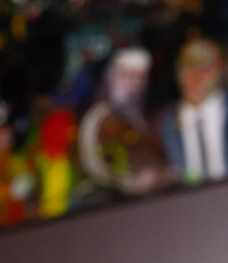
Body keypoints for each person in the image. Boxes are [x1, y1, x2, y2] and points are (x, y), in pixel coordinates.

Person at [78, 46, 170, 194]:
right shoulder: (99, 117)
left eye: (141, 77)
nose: (134, 82)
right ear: (112, 76)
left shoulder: (146, 116)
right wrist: (134, 182)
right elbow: (96, 165)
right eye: (127, 75)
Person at [161, 38, 228, 184]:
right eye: (188, 69)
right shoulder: (169, 119)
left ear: (220, 70)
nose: (196, 77)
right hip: (189, 195)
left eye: (205, 69)